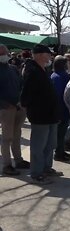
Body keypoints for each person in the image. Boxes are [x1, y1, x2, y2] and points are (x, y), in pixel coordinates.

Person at [20, 44, 63, 184]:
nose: (50, 56)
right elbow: (27, 94)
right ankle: (36, 173)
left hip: (51, 114)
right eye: (47, 53)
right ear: (38, 55)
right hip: (40, 115)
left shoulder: (43, 69)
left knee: (50, 144)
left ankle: (46, 168)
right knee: (39, 145)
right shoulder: (31, 70)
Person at [0, 44, 30, 176]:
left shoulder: (12, 69)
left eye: (6, 53)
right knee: (7, 137)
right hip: (5, 109)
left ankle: (18, 160)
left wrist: (21, 101)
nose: (5, 55)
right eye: (2, 54)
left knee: (17, 134)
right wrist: (5, 104)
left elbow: (20, 84)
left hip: (18, 106)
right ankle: (7, 165)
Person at [50, 56, 70, 162]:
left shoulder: (54, 75)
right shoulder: (61, 77)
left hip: (61, 108)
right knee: (60, 133)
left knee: (62, 133)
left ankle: (61, 151)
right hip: (62, 109)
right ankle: (59, 153)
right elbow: (60, 94)